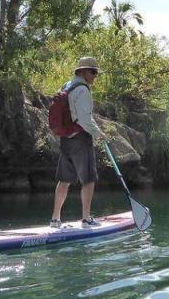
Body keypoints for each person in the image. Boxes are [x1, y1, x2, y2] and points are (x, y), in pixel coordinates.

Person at [51, 57, 109, 228]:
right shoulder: (83, 90)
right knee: (88, 179)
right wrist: (99, 134)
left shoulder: (66, 86)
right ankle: (86, 218)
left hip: (66, 139)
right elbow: (84, 119)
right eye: (93, 72)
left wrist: (96, 129)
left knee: (64, 179)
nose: (95, 76)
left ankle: (55, 219)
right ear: (83, 71)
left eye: (96, 73)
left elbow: (80, 115)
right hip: (80, 140)